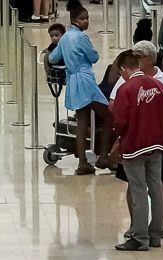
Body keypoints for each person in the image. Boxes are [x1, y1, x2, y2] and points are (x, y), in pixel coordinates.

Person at [105, 48, 163, 253]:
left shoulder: (126, 89)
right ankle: (155, 235)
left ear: (125, 69)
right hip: (157, 144)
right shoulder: (159, 85)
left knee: (138, 190)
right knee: (157, 188)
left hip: (135, 145)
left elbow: (120, 120)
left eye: (120, 72)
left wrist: (119, 141)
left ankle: (139, 237)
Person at [53, 6, 113, 174]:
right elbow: (94, 57)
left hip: (73, 82)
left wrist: (46, 54)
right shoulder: (81, 37)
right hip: (86, 81)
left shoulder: (64, 38)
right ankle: (103, 157)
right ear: (74, 20)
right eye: (83, 18)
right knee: (108, 116)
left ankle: (83, 163)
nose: (86, 21)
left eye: (87, 18)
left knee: (82, 122)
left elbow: (53, 57)